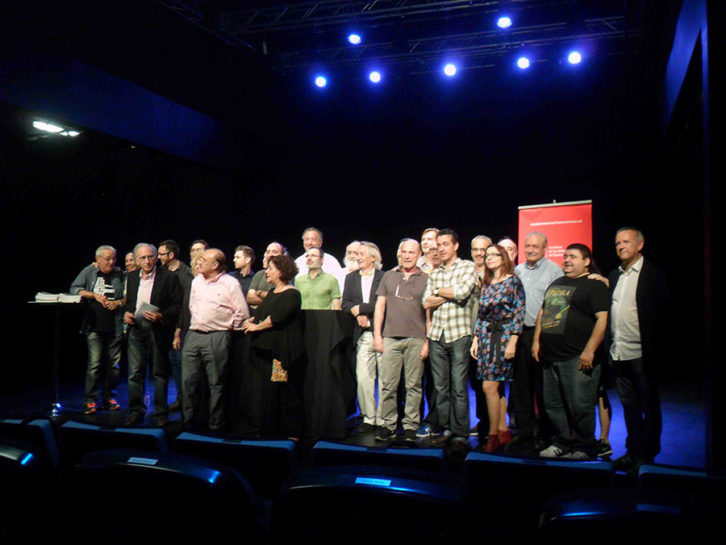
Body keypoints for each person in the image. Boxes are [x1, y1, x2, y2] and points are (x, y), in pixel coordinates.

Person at [533, 243, 609, 459]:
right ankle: (562, 443)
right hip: (550, 356)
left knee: (580, 405)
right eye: (565, 256)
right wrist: (536, 341)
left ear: (586, 262)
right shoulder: (556, 283)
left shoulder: (594, 285)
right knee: (553, 405)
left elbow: (602, 320)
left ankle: (584, 446)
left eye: (573, 257)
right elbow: (543, 313)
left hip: (576, 357)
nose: (566, 260)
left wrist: (590, 351)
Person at [608, 227, 669, 472]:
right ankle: (632, 451)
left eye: (626, 242)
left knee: (649, 408)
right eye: (617, 243)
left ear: (640, 245)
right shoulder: (615, 275)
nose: (621, 246)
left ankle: (648, 455)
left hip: (642, 355)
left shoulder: (653, 275)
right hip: (619, 352)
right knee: (630, 408)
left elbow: (663, 316)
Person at [181, 249, 249, 431]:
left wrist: (227, 327)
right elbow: (192, 305)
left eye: (204, 259)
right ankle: (188, 423)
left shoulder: (230, 283)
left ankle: (215, 424)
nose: (199, 262)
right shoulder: (196, 281)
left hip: (217, 336)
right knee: (188, 382)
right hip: (194, 334)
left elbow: (242, 312)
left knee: (216, 383)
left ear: (215, 264)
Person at [423, 228, 479, 448]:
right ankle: (445, 427)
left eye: (445, 244)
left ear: (455, 245)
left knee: (458, 385)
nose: (441, 249)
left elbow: (462, 292)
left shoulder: (467, 267)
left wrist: (438, 291)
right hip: (437, 333)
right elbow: (426, 302)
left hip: (459, 333)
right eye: (438, 246)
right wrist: (445, 293)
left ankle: (460, 431)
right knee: (440, 386)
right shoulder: (435, 272)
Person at [242, 255, 305, 439]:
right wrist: (249, 321)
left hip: (281, 353)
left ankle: (292, 432)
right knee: (269, 393)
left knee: (286, 392)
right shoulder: (272, 292)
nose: (266, 272)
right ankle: (269, 430)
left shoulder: (292, 294)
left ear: (281, 271)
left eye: (270, 268)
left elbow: (275, 319)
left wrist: (256, 327)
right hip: (265, 352)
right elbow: (261, 313)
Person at [470, 244, 525, 452]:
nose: (490, 258)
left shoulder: (513, 282)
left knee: (489, 386)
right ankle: (502, 431)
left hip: (502, 337)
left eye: (494, 254)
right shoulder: (486, 282)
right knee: (497, 386)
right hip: (485, 337)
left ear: (504, 258)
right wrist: (476, 339)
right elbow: (481, 315)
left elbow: (519, 312)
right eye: (487, 255)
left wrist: (513, 340)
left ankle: (492, 435)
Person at [373, 239, 429, 442]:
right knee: (388, 384)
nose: (407, 256)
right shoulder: (389, 276)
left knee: (413, 385)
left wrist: (427, 342)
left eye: (411, 252)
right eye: (404, 252)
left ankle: (411, 426)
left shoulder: (426, 278)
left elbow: (429, 312)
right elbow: (380, 307)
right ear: (398, 254)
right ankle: (388, 424)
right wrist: (377, 336)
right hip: (390, 338)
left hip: (416, 338)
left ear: (419, 254)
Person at [511, 231, 563, 450]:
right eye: (527, 246)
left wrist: (542, 339)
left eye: (535, 246)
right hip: (518, 333)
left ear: (545, 248)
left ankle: (546, 433)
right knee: (521, 387)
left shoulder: (554, 271)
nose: (530, 250)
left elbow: (555, 308)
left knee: (543, 388)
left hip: (541, 334)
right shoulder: (517, 270)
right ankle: (524, 433)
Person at [123, 243, 182, 426]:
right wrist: (126, 312)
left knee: (159, 373)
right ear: (137, 260)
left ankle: (161, 412)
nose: (147, 261)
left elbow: (178, 305)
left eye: (150, 257)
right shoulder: (132, 277)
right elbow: (129, 302)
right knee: (135, 373)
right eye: (142, 258)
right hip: (136, 330)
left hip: (158, 330)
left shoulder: (168, 277)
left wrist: (161, 315)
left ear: (156, 257)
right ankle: (136, 411)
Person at [70, 245, 126, 414]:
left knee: (113, 366)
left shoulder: (119, 274)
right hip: (94, 327)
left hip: (115, 326)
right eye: (107, 259)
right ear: (98, 259)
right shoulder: (90, 271)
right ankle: (90, 400)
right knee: (95, 365)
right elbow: (74, 289)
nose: (111, 262)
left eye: (113, 258)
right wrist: (93, 295)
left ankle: (109, 398)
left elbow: (129, 296)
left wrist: (118, 303)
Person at [342, 242, 385, 433]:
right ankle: (369, 417)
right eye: (356, 254)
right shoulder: (351, 278)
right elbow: (345, 303)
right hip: (362, 335)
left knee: (385, 379)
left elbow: (384, 302)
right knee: (364, 378)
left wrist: (363, 308)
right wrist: (355, 312)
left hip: (382, 334)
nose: (357, 257)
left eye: (361, 254)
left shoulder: (384, 277)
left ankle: (384, 419)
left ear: (373, 258)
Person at [158, 239, 194, 412]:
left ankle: (184, 400)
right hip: (164, 324)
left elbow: (185, 305)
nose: (158, 258)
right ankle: (176, 399)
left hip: (180, 326)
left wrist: (178, 331)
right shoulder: (161, 271)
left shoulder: (186, 274)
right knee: (169, 364)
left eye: (161, 254)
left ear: (171, 255)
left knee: (180, 364)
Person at [469, 235, 494, 441]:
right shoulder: (466, 271)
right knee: (474, 382)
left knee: (489, 383)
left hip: (488, 335)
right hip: (466, 334)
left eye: (483, 249)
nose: (479, 253)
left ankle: (491, 425)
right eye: (475, 249)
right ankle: (481, 420)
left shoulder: (495, 273)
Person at [247, 242, 286, 308]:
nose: (270, 255)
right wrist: (269, 304)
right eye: (268, 252)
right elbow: (250, 298)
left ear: (282, 255)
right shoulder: (260, 274)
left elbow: (281, 298)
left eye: (274, 252)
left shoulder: (286, 274)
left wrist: (259, 293)